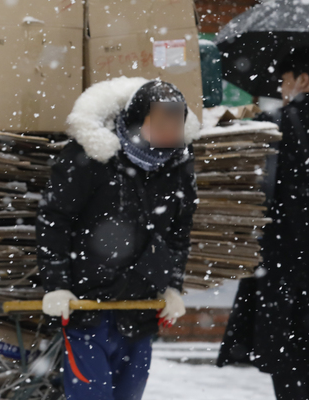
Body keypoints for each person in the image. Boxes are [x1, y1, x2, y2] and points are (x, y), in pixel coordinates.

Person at [217, 47, 309, 400]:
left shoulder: (276, 125)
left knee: (288, 365)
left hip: (282, 266)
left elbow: (251, 192)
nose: (283, 89)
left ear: (303, 80)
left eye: (286, 81)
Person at [36, 77, 200, 400]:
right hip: (86, 308)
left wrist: (173, 285)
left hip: (140, 309)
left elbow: (180, 230)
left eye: (176, 123)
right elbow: (54, 219)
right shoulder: (90, 158)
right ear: (138, 121)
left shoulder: (179, 165)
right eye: (160, 123)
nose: (170, 132)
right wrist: (56, 285)